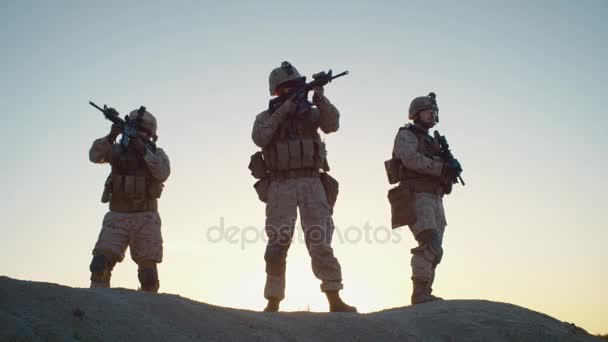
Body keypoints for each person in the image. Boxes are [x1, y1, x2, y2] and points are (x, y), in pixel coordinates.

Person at [251, 61, 356, 312]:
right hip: (280, 184)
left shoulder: (310, 113)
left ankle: (334, 298)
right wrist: (283, 111)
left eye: (296, 87)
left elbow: (332, 125)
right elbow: (259, 138)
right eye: (287, 89)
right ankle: (273, 301)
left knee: (320, 242)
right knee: (277, 245)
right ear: (277, 92)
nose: (293, 92)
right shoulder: (266, 117)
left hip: (311, 182)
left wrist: (320, 98)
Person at [88, 107, 170, 292]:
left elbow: (163, 173)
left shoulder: (156, 153)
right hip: (117, 216)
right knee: (99, 264)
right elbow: (94, 156)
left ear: (149, 135)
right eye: (135, 129)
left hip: (146, 218)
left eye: (142, 131)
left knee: (148, 275)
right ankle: (97, 301)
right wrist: (110, 137)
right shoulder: (116, 150)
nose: (138, 134)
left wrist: (144, 152)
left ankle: (151, 309)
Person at [388, 92, 461, 304]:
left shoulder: (432, 141)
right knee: (429, 242)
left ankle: (426, 291)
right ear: (416, 113)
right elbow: (409, 159)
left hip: (435, 198)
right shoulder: (406, 135)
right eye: (429, 111)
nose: (433, 115)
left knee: (437, 250)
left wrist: (450, 171)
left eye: (434, 112)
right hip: (417, 196)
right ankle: (419, 294)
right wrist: (441, 168)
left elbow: (441, 171)